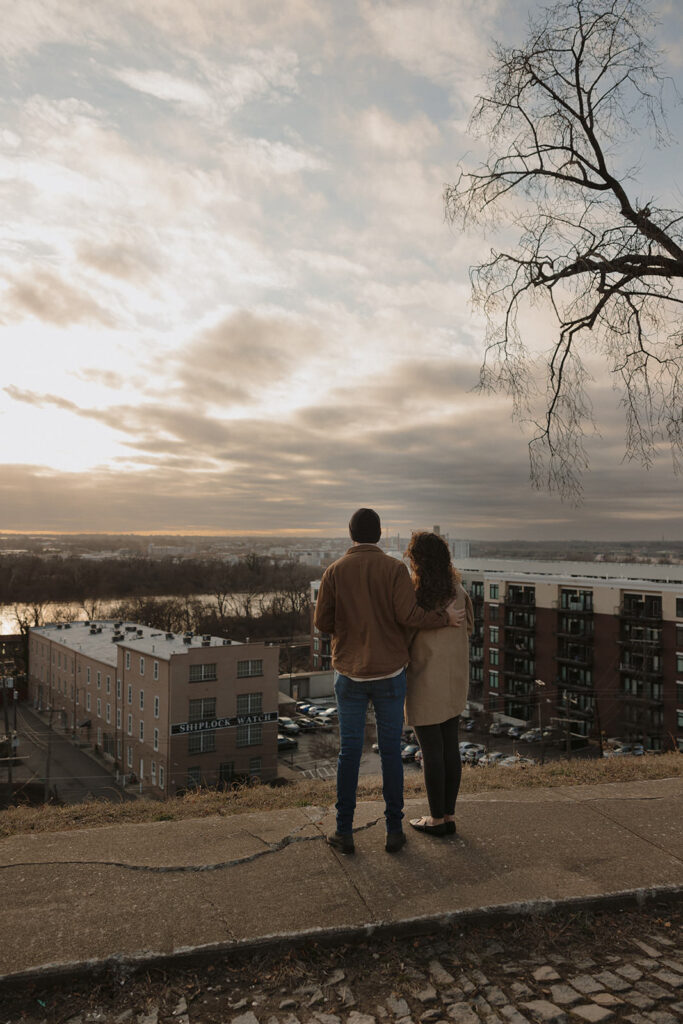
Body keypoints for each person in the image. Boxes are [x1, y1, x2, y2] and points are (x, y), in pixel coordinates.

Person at [313, 508, 465, 855]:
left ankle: (343, 831)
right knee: (392, 755)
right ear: (380, 534)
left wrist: (350, 626)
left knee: (349, 753)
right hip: (390, 675)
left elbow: (322, 623)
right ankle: (394, 831)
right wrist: (443, 618)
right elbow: (409, 616)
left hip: (349, 674)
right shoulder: (395, 569)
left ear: (351, 535)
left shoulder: (334, 572)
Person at [404, 531, 473, 837]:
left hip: (425, 680)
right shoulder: (459, 591)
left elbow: (403, 637)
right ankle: (448, 814)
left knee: (431, 751)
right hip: (454, 680)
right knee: (449, 748)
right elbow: (469, 629)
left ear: (418, 561)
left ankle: (435, 819)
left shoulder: (417, 597)